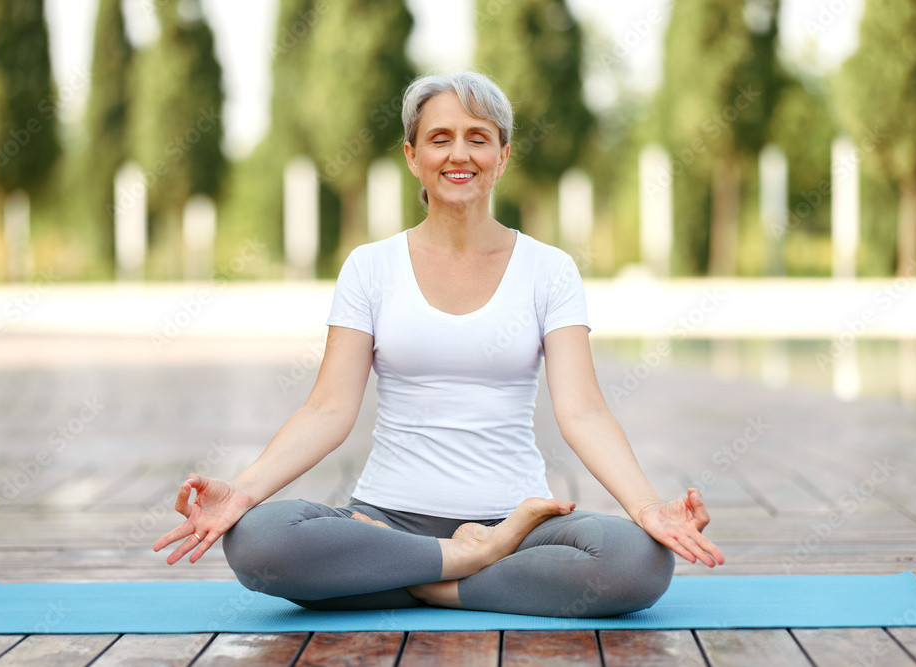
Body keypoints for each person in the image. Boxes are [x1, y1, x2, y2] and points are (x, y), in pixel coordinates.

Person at [154, 70, 724, 618]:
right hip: (386, 521)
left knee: (638, 564)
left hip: (518, 525)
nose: (459, 155)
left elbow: (583, 411)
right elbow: (328, 409)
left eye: (478, 138)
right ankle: (464, 565)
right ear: (412, 157)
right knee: (257, 542)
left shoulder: (548, 270)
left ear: (502, 157)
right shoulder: (370, 267)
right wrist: (243, 493)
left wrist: (647, 508)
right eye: (440, 139)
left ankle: (424, 583)